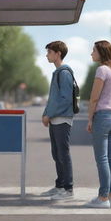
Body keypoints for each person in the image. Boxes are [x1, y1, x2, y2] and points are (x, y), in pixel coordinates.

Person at [85, 40, 111, 208]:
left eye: (94, 51)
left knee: (102, 159)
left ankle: (102, 198)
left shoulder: (102, 70)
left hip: (103, 117)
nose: (91, 53)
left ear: (102, 53)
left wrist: (90, 119)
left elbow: (94, 98)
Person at [41, 41, 75, 200]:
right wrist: (45, 113)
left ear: (58, 53)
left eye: (49, 52)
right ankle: (60, 186)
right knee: (56, 154)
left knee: (63, 154)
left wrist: (49, 114)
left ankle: (68, 190)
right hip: (55, 120)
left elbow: (65, 99)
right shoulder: (57, 72)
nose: (47, 55)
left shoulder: (64, 73)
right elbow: (53, 99)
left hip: (62, 120)